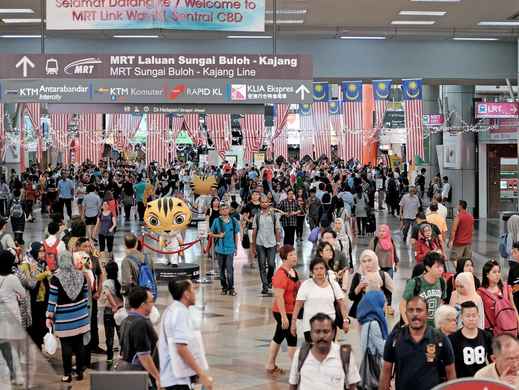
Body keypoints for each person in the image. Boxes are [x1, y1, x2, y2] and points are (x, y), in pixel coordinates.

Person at [379, 296, 456, 390]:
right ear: (406, 314)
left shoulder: (440, 339)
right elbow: (386, 372)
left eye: (419, 310)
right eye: (411, 310)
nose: (415, 314)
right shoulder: (395, 338)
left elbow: (451, 373)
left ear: (427, 313)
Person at [159, 279, 213, 390]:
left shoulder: (172, 309)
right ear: (186, 294)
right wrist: (201, 374)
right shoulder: (180, 313)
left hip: (174, 378)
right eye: (192, 288)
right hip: (177, 380)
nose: (195, 292)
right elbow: (181, 348)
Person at [46, 252, 90, 383]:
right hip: (81, 315)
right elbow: (86, 294)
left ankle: (67, 374)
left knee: (66, 346)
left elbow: (52, 299)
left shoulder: (56, 278)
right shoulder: (81, 274)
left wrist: (49, 316)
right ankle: (80, 372)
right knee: (80, 345)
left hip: (64, 318)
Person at [288, 313, 361, 390]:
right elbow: (292, 385)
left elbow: (352, 386)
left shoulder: (345, 355)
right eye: (317, 331)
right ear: (311, 334)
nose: (321, 336)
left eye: (326, 331)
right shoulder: (300, 354)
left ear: (333, 333)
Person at [291, 258, 350, 342]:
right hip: (310, 327)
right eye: (316, 269)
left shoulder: (333, 284)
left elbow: (341, 302)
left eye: (321, 268)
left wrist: (345, 320)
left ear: (326, 270)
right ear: (312, 271)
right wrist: (293, 323)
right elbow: (298, 305)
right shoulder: (306, 285)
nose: (319, 271)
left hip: (329, 326)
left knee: (328, 353)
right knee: (313, 353)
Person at [266, 245, 299, 375]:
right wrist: (284, 317)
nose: (294, 257)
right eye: (291, 255)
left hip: (291, 310)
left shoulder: (293, 271)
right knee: (292, 339)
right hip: (283, 311)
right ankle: (297, 370)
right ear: (284, 258)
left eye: (295, 254)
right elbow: (279, 297)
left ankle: (270, 364)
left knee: (278, 337)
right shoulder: (281, 274)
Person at [119, 287, 160, 389]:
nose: (153, 304)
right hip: (143, 377)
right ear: (143, 304)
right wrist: (158, 377)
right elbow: (144, 356)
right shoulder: (140, 323)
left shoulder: (126, 321)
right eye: (151, 301)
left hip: (131, 375)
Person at [0, 250, 26, 385]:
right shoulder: (12, 278)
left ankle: (8, 374)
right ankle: (17, 376)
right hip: (12, 319)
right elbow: (23, 294)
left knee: (4, 348)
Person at [20, 242, 51, 350]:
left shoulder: (41, 262)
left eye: (44, 251)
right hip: (32, 300)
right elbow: (29, 282)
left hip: (42, 298)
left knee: (42, 325)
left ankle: (39, 347)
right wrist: (44, 274)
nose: (43, 253)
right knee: (34, 327)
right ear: (35, 251)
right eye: (41, 251)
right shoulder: (26, 263)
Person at [401, 252, 446, 327]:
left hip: (434, 327)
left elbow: (441, 302)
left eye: (442, 266)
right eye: (437, 267)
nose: (441, 269)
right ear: (428, 268)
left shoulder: (442, 282)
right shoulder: (415, 283)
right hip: (418, 327)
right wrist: (408, 324)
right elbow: (402, 305)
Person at [449, 301, 493, 378]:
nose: (471, 319)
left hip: (481, 380)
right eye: (468, 316)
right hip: (462, 382)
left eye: (474, 315)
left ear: (478, 316)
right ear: (462, 317)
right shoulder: (453, 339)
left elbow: (493, 360)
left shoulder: (486, 336)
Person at [477, 259, 519, 336]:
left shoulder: (506, 287)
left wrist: (518, 323)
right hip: (491, 331)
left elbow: (513, 307)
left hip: (509, 329)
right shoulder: (481, 292)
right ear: (487, 274)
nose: (497, 274)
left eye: (499, 272)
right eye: (494, 272)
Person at [348, 249, 393, 319]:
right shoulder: (358, 275)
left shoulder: (382, 275)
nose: (367, 264)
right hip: (361, 313)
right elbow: (351, 297)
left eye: (369, 260)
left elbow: (389, 293)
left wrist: (382, 296)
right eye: (364, 261)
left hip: (378, 313)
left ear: (374, 260)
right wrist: (359, 287)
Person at [251, 195, 281, 295]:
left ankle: (269, 280)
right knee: (262, 265)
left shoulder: (274, 216)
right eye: (262, 202)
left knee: (272, 264)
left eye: (266, 202)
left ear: (269, 203)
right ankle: (264, 286)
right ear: (260, 204)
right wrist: (253, 246)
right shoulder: (257, 216)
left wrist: (278, 243)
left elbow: (277, 230)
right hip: (260, 243)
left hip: (272, 243)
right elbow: (254, 231)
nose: (264, 204)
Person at [209, 202, 239, 296]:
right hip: (219, 249)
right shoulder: (216, 221)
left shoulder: (234, 221)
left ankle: (231, 288)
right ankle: (224, 287)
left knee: (230, 269)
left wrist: (236, 247)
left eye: (226, 208)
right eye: (222, 209)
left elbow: (236, 235)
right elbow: (210, 233)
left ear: (229, 210)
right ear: (220, 211)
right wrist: (218, 235)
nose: (224, 210)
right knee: (221, 270)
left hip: (230, 249)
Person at [369, 224, 398, 314]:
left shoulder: (391, 240)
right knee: (377, 287)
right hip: (378, 268)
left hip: (389, 267)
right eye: (380, 231)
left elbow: (394, 251)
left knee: (388, 288)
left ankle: (388, 306)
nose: (381, 233)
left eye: (383, 231)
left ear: (387, 232)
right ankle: (378, 305)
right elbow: (369, 253)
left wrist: (396, 263)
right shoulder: (374, 240)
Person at [358, 290, 387, 375]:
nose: (386, 305)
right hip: (375, 370)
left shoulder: (366, 320)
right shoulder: (374, 324)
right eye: (384, 302)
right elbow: (383, 350)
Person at [121, 233, 155, 302]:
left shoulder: (126, 261)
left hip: (135, 298)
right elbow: (153, 275)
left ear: (124, 245)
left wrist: (125, 295)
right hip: (148, 295)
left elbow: (126, 282)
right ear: (136, 243)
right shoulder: (148, 257)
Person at [103, 261, 123, 366]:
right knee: (121, 335)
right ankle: (123, 354)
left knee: (109, 336)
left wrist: (113, 306)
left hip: (109, 311)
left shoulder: (106, 283)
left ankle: (110, 357)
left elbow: (108, 295)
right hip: (121, 310)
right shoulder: (119, 282)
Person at [448, 200, 474, 268]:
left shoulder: (458, 216)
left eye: (458, 205)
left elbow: (453, 230)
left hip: (458, 243)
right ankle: (466, 273)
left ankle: (459, 272)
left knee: (455, 259)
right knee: (467, 261)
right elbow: (472, 229)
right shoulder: (470, 216)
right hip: (468, 243)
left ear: (460, 206)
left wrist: (450, 241)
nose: (457, 207)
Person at [508, 241, 519, 312]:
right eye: (513, 252)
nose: (513, 254)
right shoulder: (513, 269)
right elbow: (509, 287)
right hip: (516, 304)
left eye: (515, 252)